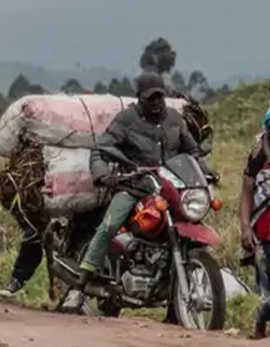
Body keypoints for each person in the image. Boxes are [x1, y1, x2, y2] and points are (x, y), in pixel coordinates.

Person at [60, 72, 202, 312]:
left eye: (160, 97)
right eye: (151, 98)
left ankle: (174, 304)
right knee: (108, 226)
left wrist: (204, 170)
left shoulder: (175, 120)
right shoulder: (126, 120)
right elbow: (101, 148)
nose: (157, 102)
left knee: (191, 223)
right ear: (140, 98)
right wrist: (102, 174)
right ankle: (79, 287)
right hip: (135, 187)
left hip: (170, 188)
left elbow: (193, 151)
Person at [241, 107, 270, 337]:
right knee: (265, 281)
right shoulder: (258, 155)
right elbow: (247, 191)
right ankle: (259, 328)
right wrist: (245, 226)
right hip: (264, 228)